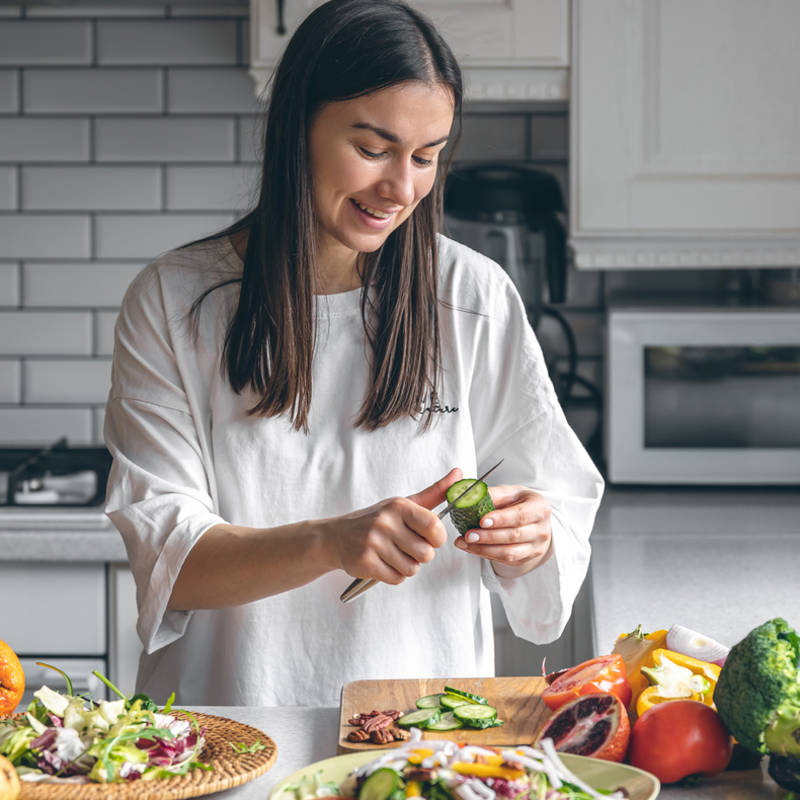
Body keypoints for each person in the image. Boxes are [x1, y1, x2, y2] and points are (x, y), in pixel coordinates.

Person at [104, 0, 604, 708]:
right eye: (373, 149)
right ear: (298, 127)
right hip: (232, 733)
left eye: (426, 157)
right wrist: (329, 542)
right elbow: (171, 564)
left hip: (425, 736)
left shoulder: (472, 295)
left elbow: (556, 501)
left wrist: (533, 534)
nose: (401, 189)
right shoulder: (173, 301)